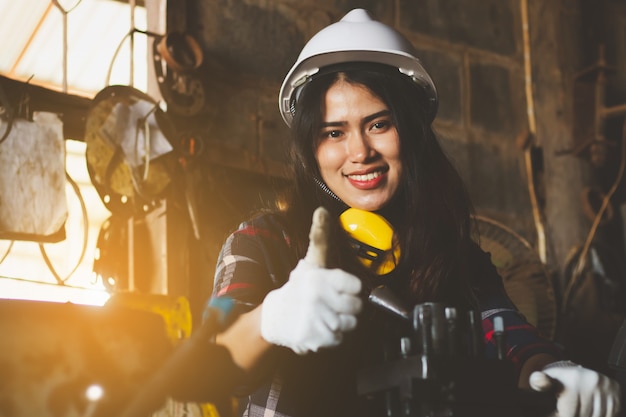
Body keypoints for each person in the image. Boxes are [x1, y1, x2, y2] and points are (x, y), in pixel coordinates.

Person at [209, 8, 621, 417]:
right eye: (333, 132)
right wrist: (271, 319)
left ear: (413, 133)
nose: (360, 153)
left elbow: (511, 338)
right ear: (310, 152)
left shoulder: (457, 259)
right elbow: (214, 360)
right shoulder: (260, 242)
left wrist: (553, 370)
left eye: (378, 124)